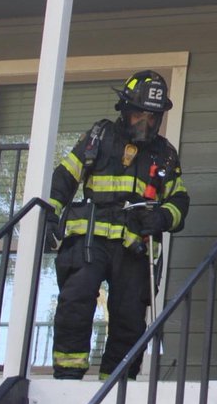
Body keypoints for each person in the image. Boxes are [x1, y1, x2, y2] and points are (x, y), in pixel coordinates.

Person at [44, 70, 189, 380]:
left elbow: (179, 201)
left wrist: (162, 217)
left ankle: (115, 384)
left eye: (153, 117)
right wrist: (49, 216)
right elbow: (65, 177)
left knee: (130, 321)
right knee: (76, 301)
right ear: (125, 109)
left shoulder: (164, 154)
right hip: (89, 240)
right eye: (140, 114)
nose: (146, 123)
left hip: (134, 246)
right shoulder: (100, 136)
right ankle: (67, 377)